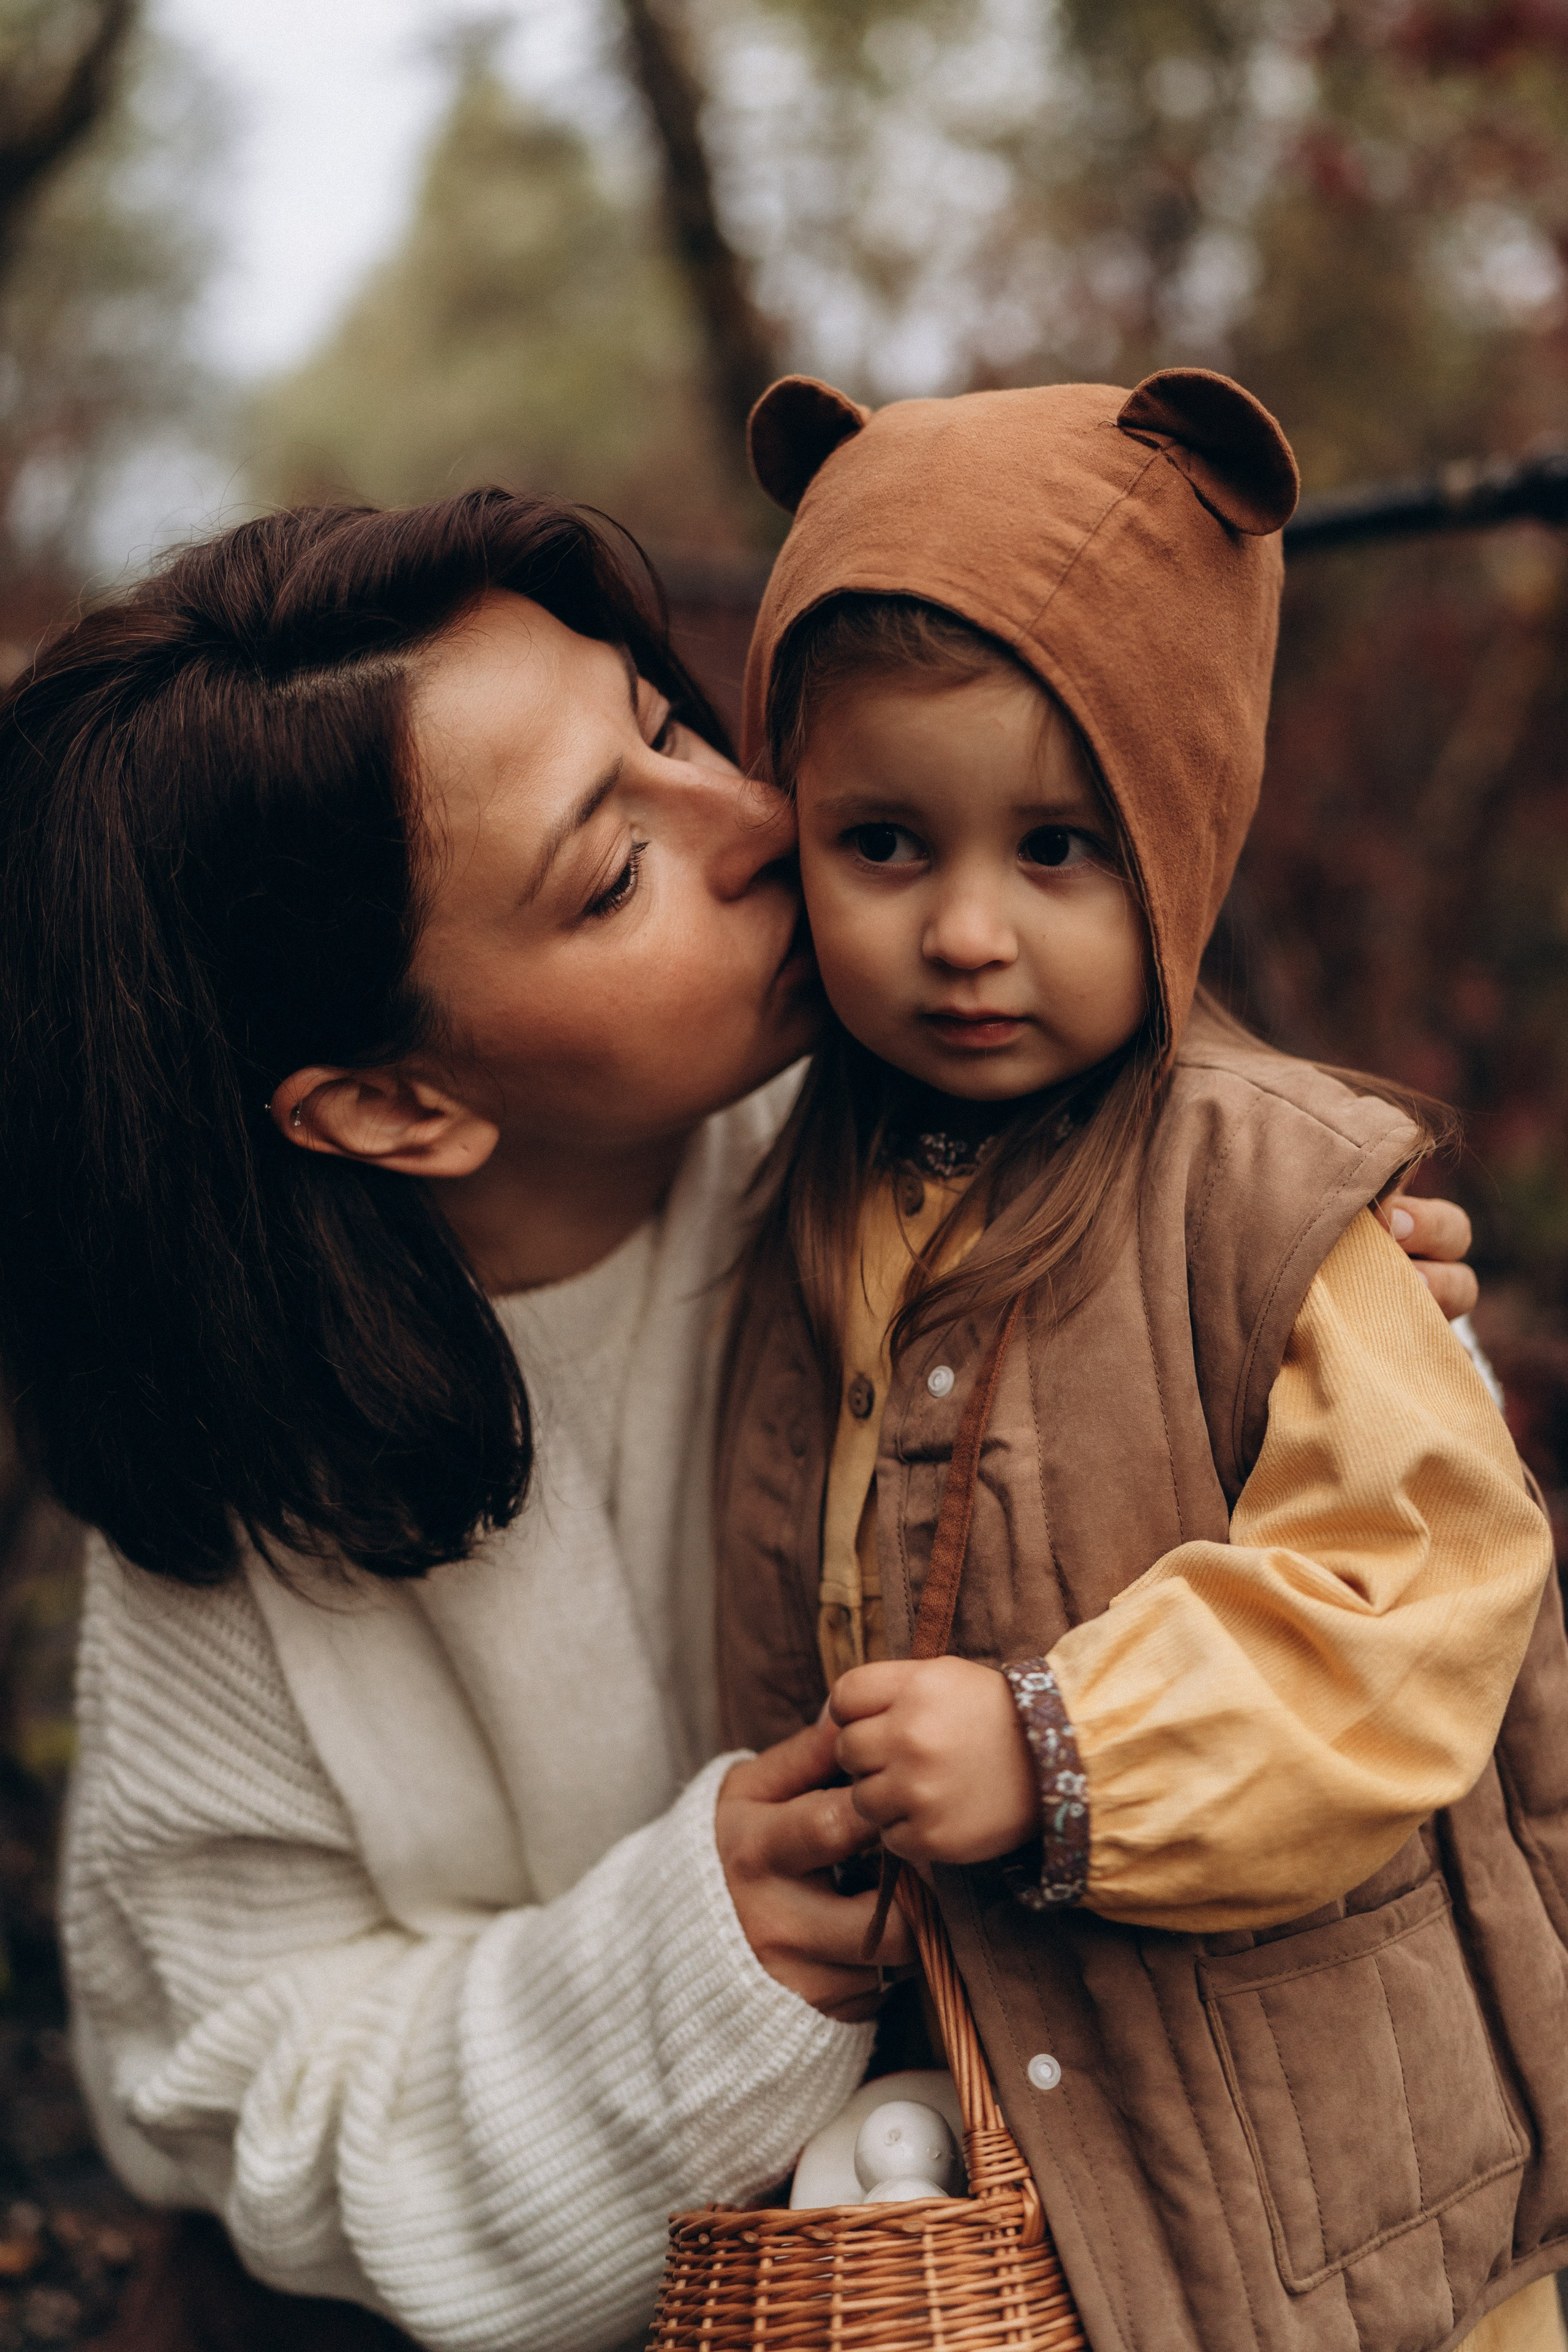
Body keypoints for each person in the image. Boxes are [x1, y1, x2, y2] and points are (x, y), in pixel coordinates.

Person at [0, 487, 1477, 2352]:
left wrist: (1291, 1279)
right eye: (609, 875)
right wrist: (693, 1967)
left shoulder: (966, 1122)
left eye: (670, 727)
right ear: (388, 1107)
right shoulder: (237, 1503)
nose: (760, 819)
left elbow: (1374, 1576)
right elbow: (235, 2094)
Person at [714, 368, 1566, 2352]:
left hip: (1349, 2204)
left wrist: (1062, 1748)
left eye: (1063, 848)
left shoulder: (1265, 1186)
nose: (969, 935)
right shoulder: (803, 1190)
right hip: (1038, 2173)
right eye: (887, 845)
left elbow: (1419, 1597)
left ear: (1180, 827)